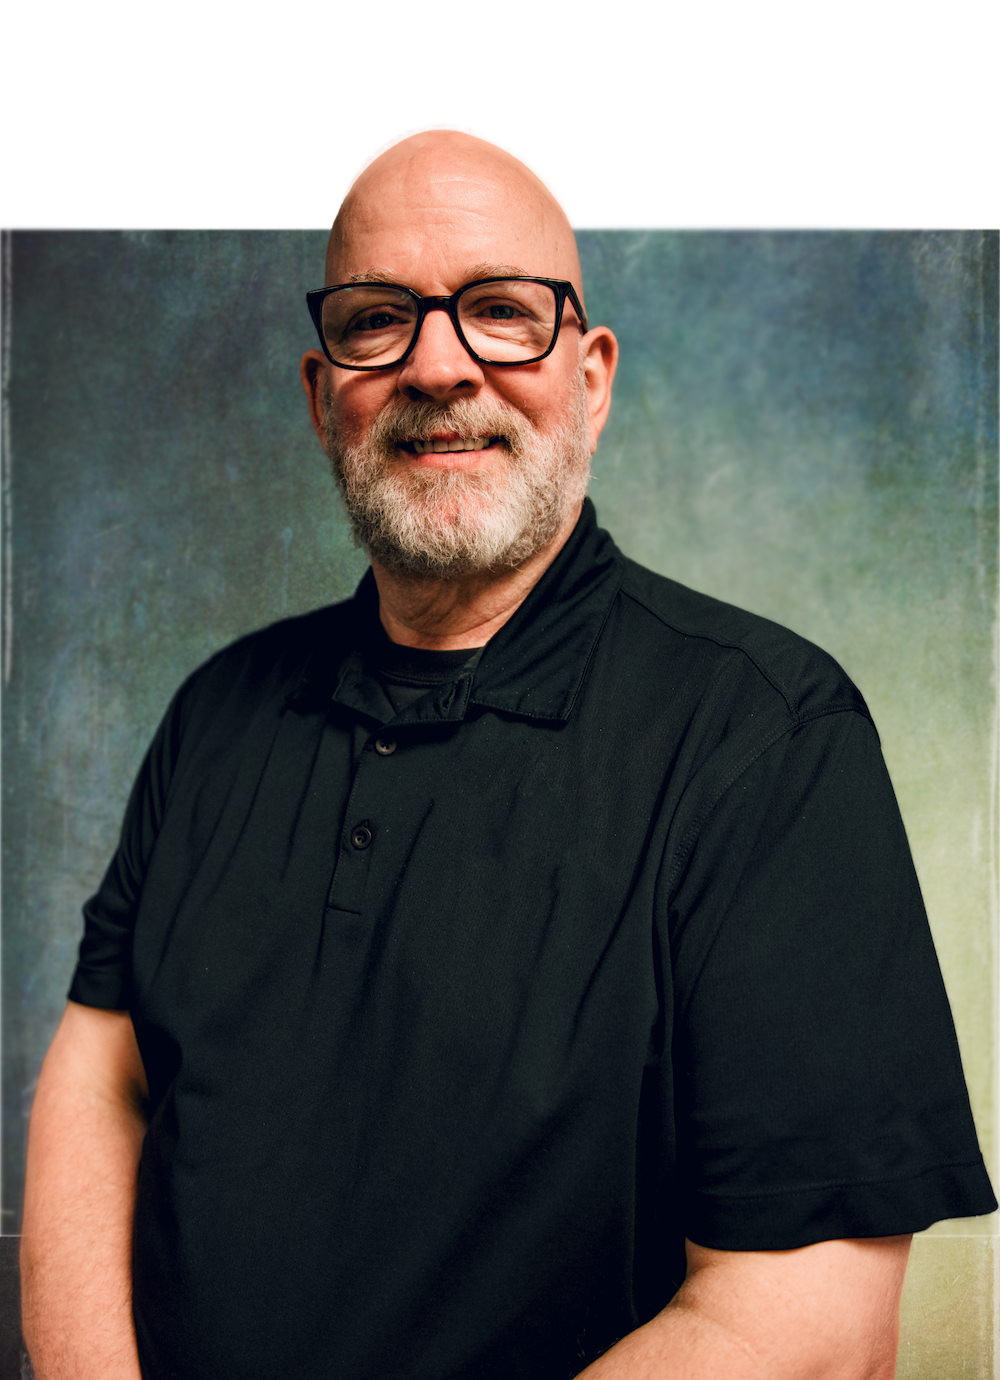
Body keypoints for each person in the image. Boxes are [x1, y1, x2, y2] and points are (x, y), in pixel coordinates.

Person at [20, 125, 996, 1380]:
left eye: (499, 309)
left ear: (589, 377)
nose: (440, 365)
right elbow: (102, 1076)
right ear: (324, 397)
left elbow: (808, 1328)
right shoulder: (217, 710)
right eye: (379, 318)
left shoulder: (769, 740)